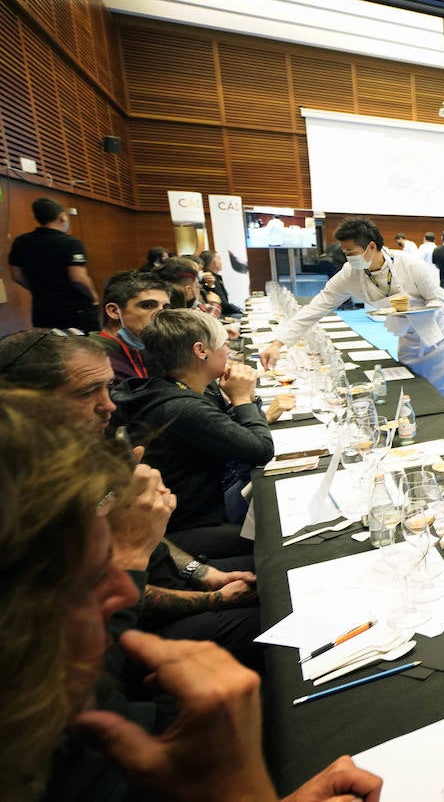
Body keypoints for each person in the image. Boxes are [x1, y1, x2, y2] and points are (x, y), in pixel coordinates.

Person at [0, 394, 382, 802]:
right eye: (83, 581)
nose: (123, 591)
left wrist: (196, 572)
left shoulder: (47, 708)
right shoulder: (41, 746)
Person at [1, 331, 265, 667]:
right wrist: (214, 598)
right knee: (281, 619)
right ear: (23, 403)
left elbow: (149, 544)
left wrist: (201, 573)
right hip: (122, 635)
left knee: (276, 569)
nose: (108, 405)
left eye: (107, 387)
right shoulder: (26, 494)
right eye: (86, 393)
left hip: (156, 586)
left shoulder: (88, 444)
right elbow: (106, 596)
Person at [258, 218, 444, 415]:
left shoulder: (408, 263)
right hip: (408, 334)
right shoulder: (350, 274)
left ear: (371, 247)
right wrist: (278, 343)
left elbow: (438, 299)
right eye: (345, 253)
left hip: (440, 332)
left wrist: (410, 311)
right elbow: (315, 308)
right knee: (413, 388)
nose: (347, 258)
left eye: (351, 253)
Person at [114, 309, 275, 557]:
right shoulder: (181, 406)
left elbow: (231, 427)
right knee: (277, 534)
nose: (229, 351)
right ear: (201, 351)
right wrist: (243, 399)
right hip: (185, 527)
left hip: (198, 508)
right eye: (224, 344)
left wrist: (245, 402)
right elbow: (260, 450)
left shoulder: (172, 387)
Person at [6, 196, 101, 331]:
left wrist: (40, 290)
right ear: (63, 217)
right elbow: (78, 279)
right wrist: (94, 296)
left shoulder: (21, 242)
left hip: (42, 310)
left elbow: (17, 275)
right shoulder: (71, 243)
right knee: (86, 348)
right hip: (75, 311)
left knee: (51, 348)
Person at [97, 272, 172, 383]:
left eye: (165, 307)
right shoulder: (98, 360)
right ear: (114, 311)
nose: (161, 315)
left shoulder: (146, 346)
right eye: (147, 305)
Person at [197, 250, 242, 316]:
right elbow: (222, 303)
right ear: (214, 262)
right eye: (219, 259)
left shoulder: (216, 277)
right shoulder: (208, 279)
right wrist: (239, 310)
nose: (221, 262)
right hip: (220, 314)